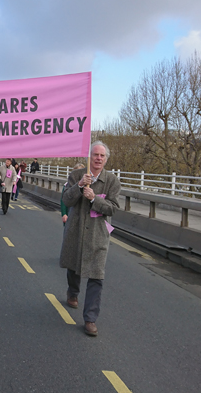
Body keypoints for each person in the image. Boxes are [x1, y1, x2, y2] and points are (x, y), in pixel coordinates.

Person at [59, 141, 120, 337]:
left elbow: (113, 208)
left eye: (102, 156)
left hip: (98, 235)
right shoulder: (77, 175)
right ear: (90, 157)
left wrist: (95, 198)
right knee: (74, 265)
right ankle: (73, 291)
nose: (98, 159)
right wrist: (78, 186)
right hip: (76, 231)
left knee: (96, 275)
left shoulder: (112, 181)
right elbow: (66, 200)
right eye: (95, 155)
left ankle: (90, 318)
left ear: (106, 159)